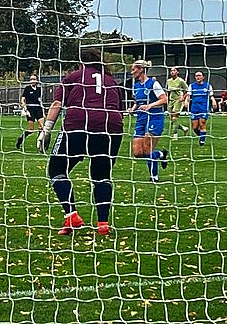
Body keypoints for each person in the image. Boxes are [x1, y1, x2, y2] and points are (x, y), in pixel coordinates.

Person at [37, 48, 124, 236]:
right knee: (102, 174)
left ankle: (72, 215)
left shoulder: (73, 77)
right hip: (111, 126)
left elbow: (57, 104)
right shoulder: (111, 81)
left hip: (79, 124)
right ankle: (103, 224)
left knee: (57, 169)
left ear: (80, 63)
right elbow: (119, 107)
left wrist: (46, 130)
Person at [128, 60, 169, 183]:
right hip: (141, 118)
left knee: (147, 149)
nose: (131, 72)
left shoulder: (153, 84)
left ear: (141, 69)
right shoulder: (135, 86)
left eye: (133, 69)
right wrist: (132, 108)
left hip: (155, 117)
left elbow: (164, 99)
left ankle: (154, 177)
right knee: (137, 152)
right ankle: (161, 154)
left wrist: (150, 105)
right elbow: (138, 101)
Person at [184, 70, 216, 147]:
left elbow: (211, 96)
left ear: (203, 77)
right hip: (194, 108)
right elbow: (188, 96)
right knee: (194, 127)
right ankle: (202, 135)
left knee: (202, 124)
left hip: (204, 108)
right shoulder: (192, 86)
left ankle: (202, 141)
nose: (198, 77)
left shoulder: (208, 86)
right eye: (196, 76)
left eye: (199, 75)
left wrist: (214, 101)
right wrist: (186, 102)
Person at [16, 74, 44, 149]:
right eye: (31, 79)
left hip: (38, 109)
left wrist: (42, 109)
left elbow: (39, 100)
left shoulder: (39, 89)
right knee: (31, 130)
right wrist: (26, 109)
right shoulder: (27, 89)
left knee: (42, 127)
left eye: (34, 79)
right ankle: (20, 139)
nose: (32, 81)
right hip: (30, 109)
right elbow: (22, 100)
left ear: (37, 80)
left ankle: (39, 143)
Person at [165, 67, 190, 140]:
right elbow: (167, 90)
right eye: (171, 71)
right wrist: (166, 97)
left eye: (174, 70)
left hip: (178, 100)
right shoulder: (168, 81)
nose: (172, 72)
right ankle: (184, 128)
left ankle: (175, 135)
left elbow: (187, 90)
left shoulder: (181, 81)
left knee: (175, 117)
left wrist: (183, 97)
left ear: (177, 72)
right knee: (172, 119)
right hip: (171, 100)